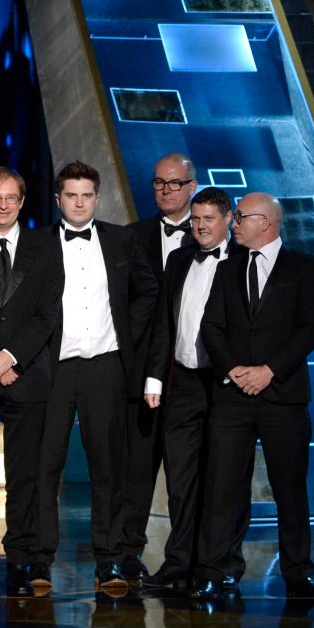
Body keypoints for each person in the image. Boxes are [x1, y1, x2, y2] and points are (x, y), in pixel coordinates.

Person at [194, 192, 314, 601]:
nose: (233, 223)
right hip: (232, 398)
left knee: (290, 489)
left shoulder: (304, 267)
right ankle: (215, 571)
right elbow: (212, 327)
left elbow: (310, 328)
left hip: (283, 396)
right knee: (221, 489)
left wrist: (269, 370)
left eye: (240, 217)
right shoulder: (227, 268)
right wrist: (235, 370)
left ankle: (298, 575)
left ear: (265, 222)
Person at [34, 161, 157, 592]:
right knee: (45, 466)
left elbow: (148, 291)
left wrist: (126, 337)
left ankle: (109, 560)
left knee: (108, 468)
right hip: (54, 368)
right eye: (71, 195)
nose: (79, 203)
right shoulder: (39, 243)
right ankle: (39, 560)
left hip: (106, 367)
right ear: (58, 199)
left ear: (98, 198)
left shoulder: (121, 239)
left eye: (87, 195)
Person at [0, 166, 63, 596]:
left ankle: (22, 558)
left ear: (22, 202)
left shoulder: (46, 247)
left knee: (26, 474)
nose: (3, 205)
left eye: (11, 197)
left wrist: (11, 356)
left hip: (28, 374)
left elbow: (47, 313)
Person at [140, 187, 237, 591]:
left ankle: (220, 566)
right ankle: (179, 563)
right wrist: (155, 377)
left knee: (223, 481)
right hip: (181, 382)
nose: (199, 226)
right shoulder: (179, 259)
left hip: (225, 385)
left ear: (228, 219)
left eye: (208, 219)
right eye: (195, 219)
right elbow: (164, 323)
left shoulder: (243, 261)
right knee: (179, 479)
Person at [121, 152, 199, 582]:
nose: (165, 190)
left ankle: (183, 559)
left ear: (192, 186)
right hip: (141, 375)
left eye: (174, 183)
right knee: (136, 471)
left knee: (186, 477)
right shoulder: (132, 237)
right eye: (158, 183)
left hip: (190, 375)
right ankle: (128, 553)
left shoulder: (210, 237)